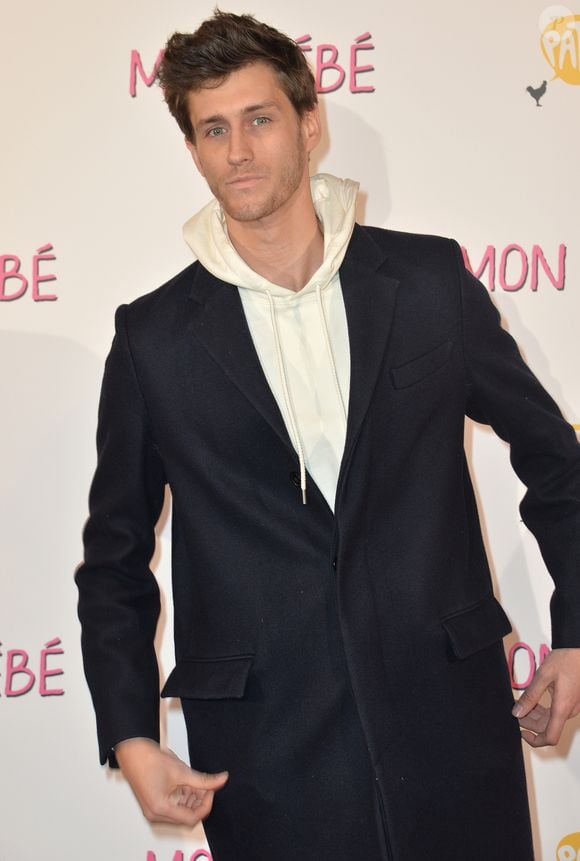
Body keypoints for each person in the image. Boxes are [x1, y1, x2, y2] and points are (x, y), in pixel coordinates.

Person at [75, 10, 580, 861]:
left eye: (259, 118)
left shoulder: (426, 285)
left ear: (311, 122)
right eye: (213, 129)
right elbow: (114, 556)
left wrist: (574, 630)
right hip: (267, 755)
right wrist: (131, 733)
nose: (237, 150)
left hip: (449, 724)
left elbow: (558, 464)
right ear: (193, 149)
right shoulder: (154, 340)